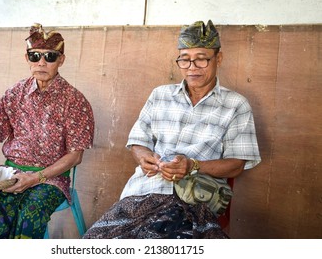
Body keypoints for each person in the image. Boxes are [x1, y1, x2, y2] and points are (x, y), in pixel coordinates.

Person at [83, 20, 261, 239]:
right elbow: (138, 142)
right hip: (143, 192)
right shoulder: (160, 95)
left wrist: (192, 166)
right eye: (185, 60)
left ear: (218, 59)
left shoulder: (235, 105)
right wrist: (145, 157)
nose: (192, 67)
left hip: (194, 200)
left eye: (202, 59)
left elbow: (236, 165)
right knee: (96, 240)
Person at [0, 23, 95, 239]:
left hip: (50, 179)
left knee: (29, 213)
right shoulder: (15, 93)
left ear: (61, 60)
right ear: (27, 59)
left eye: (50, 56)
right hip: (9, 173)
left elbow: (75, 156)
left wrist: (36, 178)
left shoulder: (75, 101)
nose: (41, 62)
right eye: (35, 56)